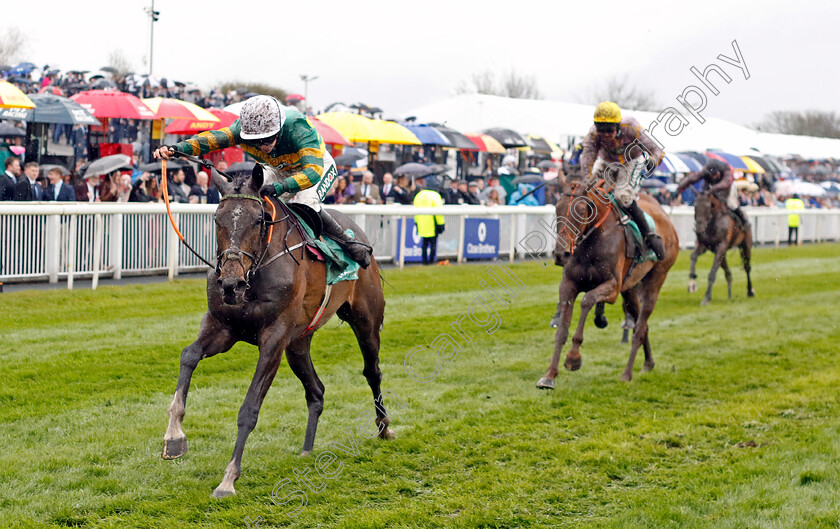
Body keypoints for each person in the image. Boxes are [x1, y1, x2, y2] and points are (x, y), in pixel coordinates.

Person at [155, 94, 371, 268]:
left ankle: (348, 242)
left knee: (305, 202)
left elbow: (312, 172)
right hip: (278, 168)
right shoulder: (240, 129)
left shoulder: (298, 129)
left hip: (314, 166)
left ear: (278, 130)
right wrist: (176, 149)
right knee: (250, 198)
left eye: (267, 140)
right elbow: (211, 140)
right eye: (255, 142)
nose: (262, 146)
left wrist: (280, 187)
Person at [580, 101, 666, 259]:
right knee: (590, 192)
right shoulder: (592, 134)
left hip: (631, 162)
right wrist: (586, 180)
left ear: (618, 126)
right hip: (606, 162)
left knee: (621, 195)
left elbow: (656, 149)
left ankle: (648, 234)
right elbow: (586, 158)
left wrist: (653, 160)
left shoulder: (631, 126)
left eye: (609, 129)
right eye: (601, 128)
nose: (605, 134)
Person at [675, 159, 749, 227]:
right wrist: (679, 188)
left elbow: (726, 183)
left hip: (727, 188)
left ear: (719, 172)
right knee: (702, 201)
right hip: (711, 187)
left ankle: (743, 221)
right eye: (712, 175)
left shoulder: (726, 169)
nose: (713, 176)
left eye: (715, 174)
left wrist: (714, 188)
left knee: (731, 204)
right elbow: (692, 178)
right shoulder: (705, 171)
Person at [412, 175, 445, 265]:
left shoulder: (418, 195)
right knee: (433, 244)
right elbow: (439, 212)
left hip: (422, 223)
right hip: (433, 223)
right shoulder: (435, 195)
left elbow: (415, 211)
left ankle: (424, 261)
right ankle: (431, 261)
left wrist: (417, 223)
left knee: (424, 243)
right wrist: (441, 224)